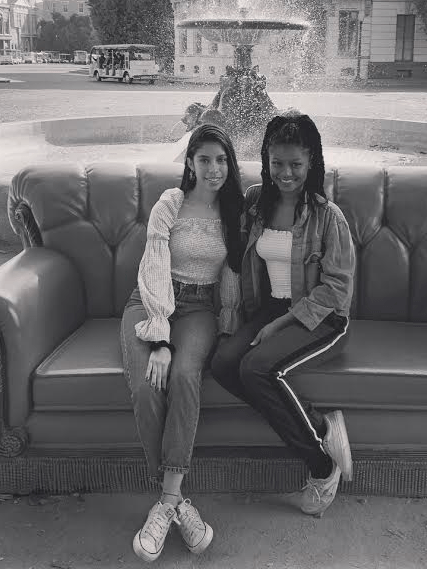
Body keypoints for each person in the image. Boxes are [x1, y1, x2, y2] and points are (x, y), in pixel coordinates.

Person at [210, 113, 356, 518]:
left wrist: (281, 323)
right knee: (223, 364)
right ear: (267, 160)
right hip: (269, 308)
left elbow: (337, 289)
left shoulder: (328, 216)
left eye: (296, 164)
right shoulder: (257, 202)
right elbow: (235, 255)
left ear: (311, 162)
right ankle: (322, 427)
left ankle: (322, 468)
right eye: (277, 163)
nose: (286, 173)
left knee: (256, 368)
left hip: (321, 317)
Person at [120, 123, 244, 562]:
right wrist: (160, 337)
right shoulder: (170, 203)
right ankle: (174, 502)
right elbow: (154, 265)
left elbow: (231, 274)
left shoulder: (234, 211)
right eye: (204, 159)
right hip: (150, 302)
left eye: (221, 160)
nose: (214, 169)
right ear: (190, 162)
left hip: (199, 309)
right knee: (146, 386)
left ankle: (166, 503)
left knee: (186, 376)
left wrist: (228, 321)